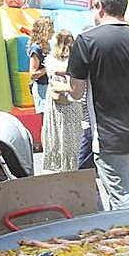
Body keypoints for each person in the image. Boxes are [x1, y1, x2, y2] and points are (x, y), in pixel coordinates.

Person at [67, 0, 129, 209]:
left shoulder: (86, 40)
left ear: (99, 5)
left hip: (110, 136)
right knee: (126, 189)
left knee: (122, 198)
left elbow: (76, 92)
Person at [42, 29, 85, 172]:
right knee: (71, 130)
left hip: (54, 97)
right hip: (70, 96)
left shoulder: (50, 59)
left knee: (56, 129)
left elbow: (51, 73)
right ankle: (72, 161)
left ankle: (58, 161)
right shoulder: (74, 59)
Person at [27, 16, 52, 112]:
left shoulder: (47, 45)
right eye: (50, 31)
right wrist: (48, 67)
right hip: (41, 87)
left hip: (48, 85)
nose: (52, 33)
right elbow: (33, 74)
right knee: (45, 117)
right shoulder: (36, 48)